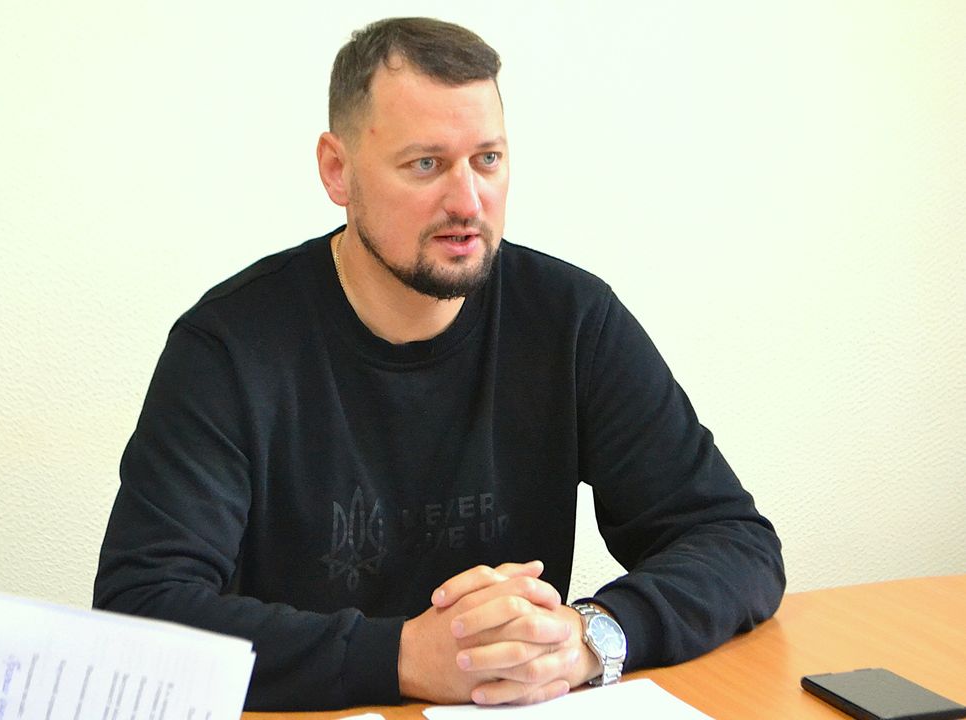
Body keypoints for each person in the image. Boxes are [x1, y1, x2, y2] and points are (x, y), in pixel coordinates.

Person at [93, 17, 785, 712]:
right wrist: (401, 657)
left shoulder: (572, 320)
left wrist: (588, 635)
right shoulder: (228, 348)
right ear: (337, 170)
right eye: (425, 164)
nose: (467, 202)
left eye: (487, 159)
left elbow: (733, 540)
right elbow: (140, 609)